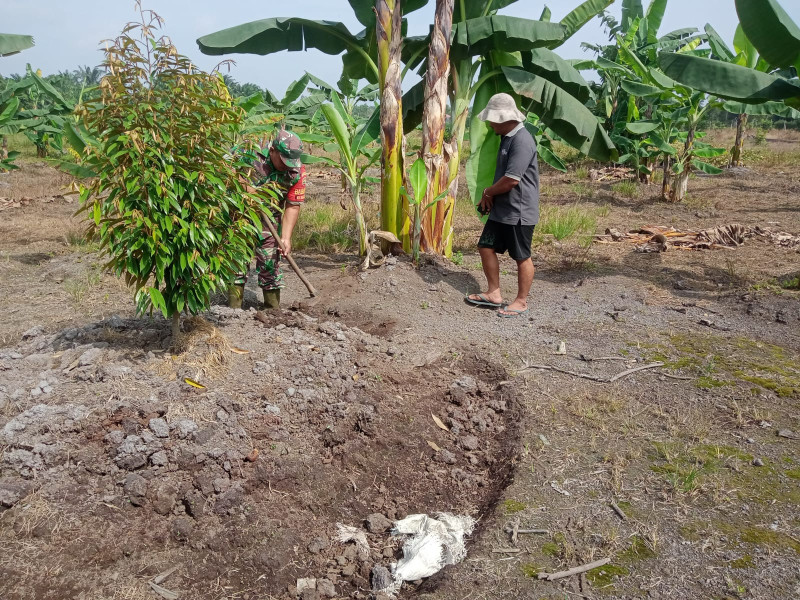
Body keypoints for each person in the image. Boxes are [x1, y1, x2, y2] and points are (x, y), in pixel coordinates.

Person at [465, 93, 539, 318]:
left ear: (505, 118)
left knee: (521, 256)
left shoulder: (522, 140)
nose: (490, 124)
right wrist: (490, 197)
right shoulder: (507, 138)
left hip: (519, 212)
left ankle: (521, 301)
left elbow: (512, 180)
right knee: (485, 246)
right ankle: (493, 293)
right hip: (502, 209)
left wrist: (488, 191)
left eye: (493, 119)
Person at [229, 129, 306, 310]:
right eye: (284, 160)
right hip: (239, 216)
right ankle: (233, 312)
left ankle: (273, 312)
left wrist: (285, 237)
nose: (287, 166)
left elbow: (292, 205)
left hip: (269, 220)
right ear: (272, 150)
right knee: (237, 263)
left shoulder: (297, 171)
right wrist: (244, 186)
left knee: (270, 265)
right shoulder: (248, 151)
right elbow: (223, 168)